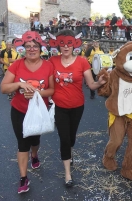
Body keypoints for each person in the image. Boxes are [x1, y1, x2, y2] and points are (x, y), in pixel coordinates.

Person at [48, 30, 106, 186]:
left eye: (69, 43)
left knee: (71, 137)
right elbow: (45, 80)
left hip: (77, 106)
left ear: (75, 44)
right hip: (59, 106)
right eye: (62, 44)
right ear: (58, 45)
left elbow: (91, 84)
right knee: (64, 139)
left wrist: (99, 83)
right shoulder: (52, 61)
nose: (66, 47)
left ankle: (69, 152)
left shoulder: (82, 62)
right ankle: (68, 174)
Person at [0, 31, 55, 194]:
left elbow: (52, 90)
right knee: (22, 143)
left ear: (41, 48)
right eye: (28, 46)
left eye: (35, 46)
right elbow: (4, 88)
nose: (31, 49)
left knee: (35, 140)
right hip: (19, 110)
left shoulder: (48, 66)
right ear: (23, 48)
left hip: (39, 112)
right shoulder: (16, 65)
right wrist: (19, 84)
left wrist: (37, 93)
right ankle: (23, 178)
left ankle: (35, 154)